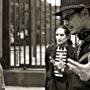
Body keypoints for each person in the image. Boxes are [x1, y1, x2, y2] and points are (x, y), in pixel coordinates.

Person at [54, 0, 90, 90]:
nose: (65, 23)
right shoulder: (83, 40)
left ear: (84, 13)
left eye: (68, 17)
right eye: (63, 19)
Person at [45, 25, 77, 90]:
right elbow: (48, 68)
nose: (58, 38)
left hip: (66, 84)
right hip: (53, 84)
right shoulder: (49, 49)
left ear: (67, 36)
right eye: (57, 35)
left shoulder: (73, 51)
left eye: (61, 35)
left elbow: (74, 73)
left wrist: (63, 69)